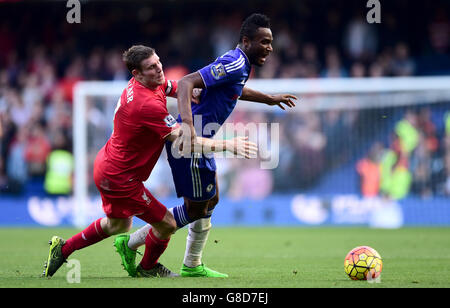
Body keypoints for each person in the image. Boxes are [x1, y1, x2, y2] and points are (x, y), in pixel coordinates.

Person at [42, 45, 257, 278]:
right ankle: (148, 268)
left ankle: (63, 249)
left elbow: (170, 86)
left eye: (158, 63)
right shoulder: (146, 105)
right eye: (151, 68)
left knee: (117, 226)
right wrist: (228, 145)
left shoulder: (145, 83)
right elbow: (187, 141)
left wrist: (190, 92)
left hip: (107, 166)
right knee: (166, 224)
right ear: (137, 74)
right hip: (122, 178)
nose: (158, 69)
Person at [116, 13, 297, 278]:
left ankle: (192, 263)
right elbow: (187, 82)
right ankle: (131, 243)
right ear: (246, 41)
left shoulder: (239, 64)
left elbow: (233, 90)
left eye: (271, 41)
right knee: (196, 208)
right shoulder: (235, 62)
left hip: (202, 139)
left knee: (211, 199)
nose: (270, 47)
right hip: (192, 142)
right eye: (264, 41)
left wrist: (268, 99)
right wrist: (188, 125)